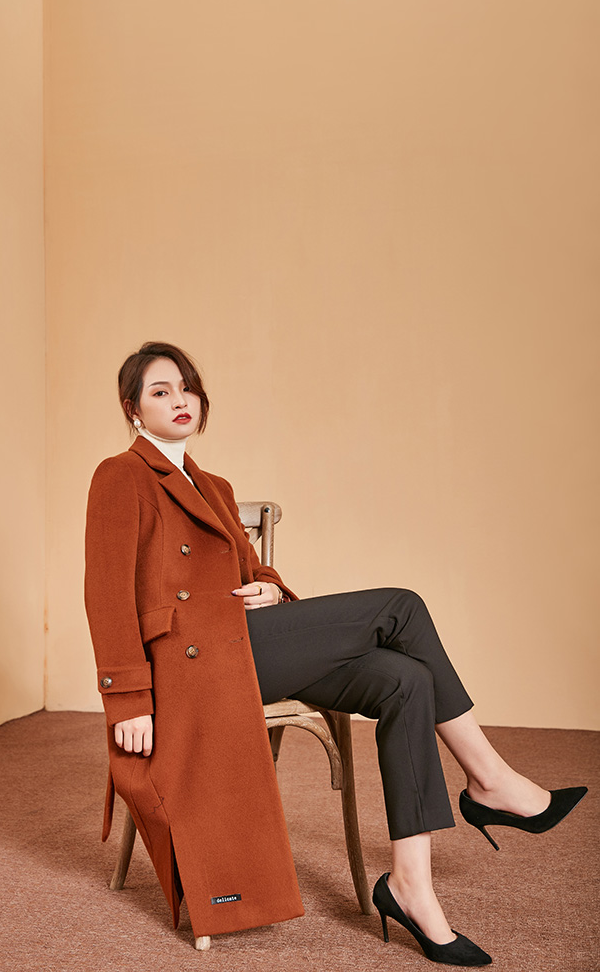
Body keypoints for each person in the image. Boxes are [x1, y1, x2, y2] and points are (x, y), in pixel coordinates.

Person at [84, 341, 587, 965]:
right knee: (400, 606)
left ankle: (411, 885)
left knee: (406, 680)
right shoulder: (121, 475)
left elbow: (251, 568)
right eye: (160, 391)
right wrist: (128, 698)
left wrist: (269, 586)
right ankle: (490, 780)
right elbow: (105, 593)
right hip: (191, 664)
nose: (179, 399)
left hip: (243, 646)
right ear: (133, 409)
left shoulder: (213, 485)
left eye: (186, 387)